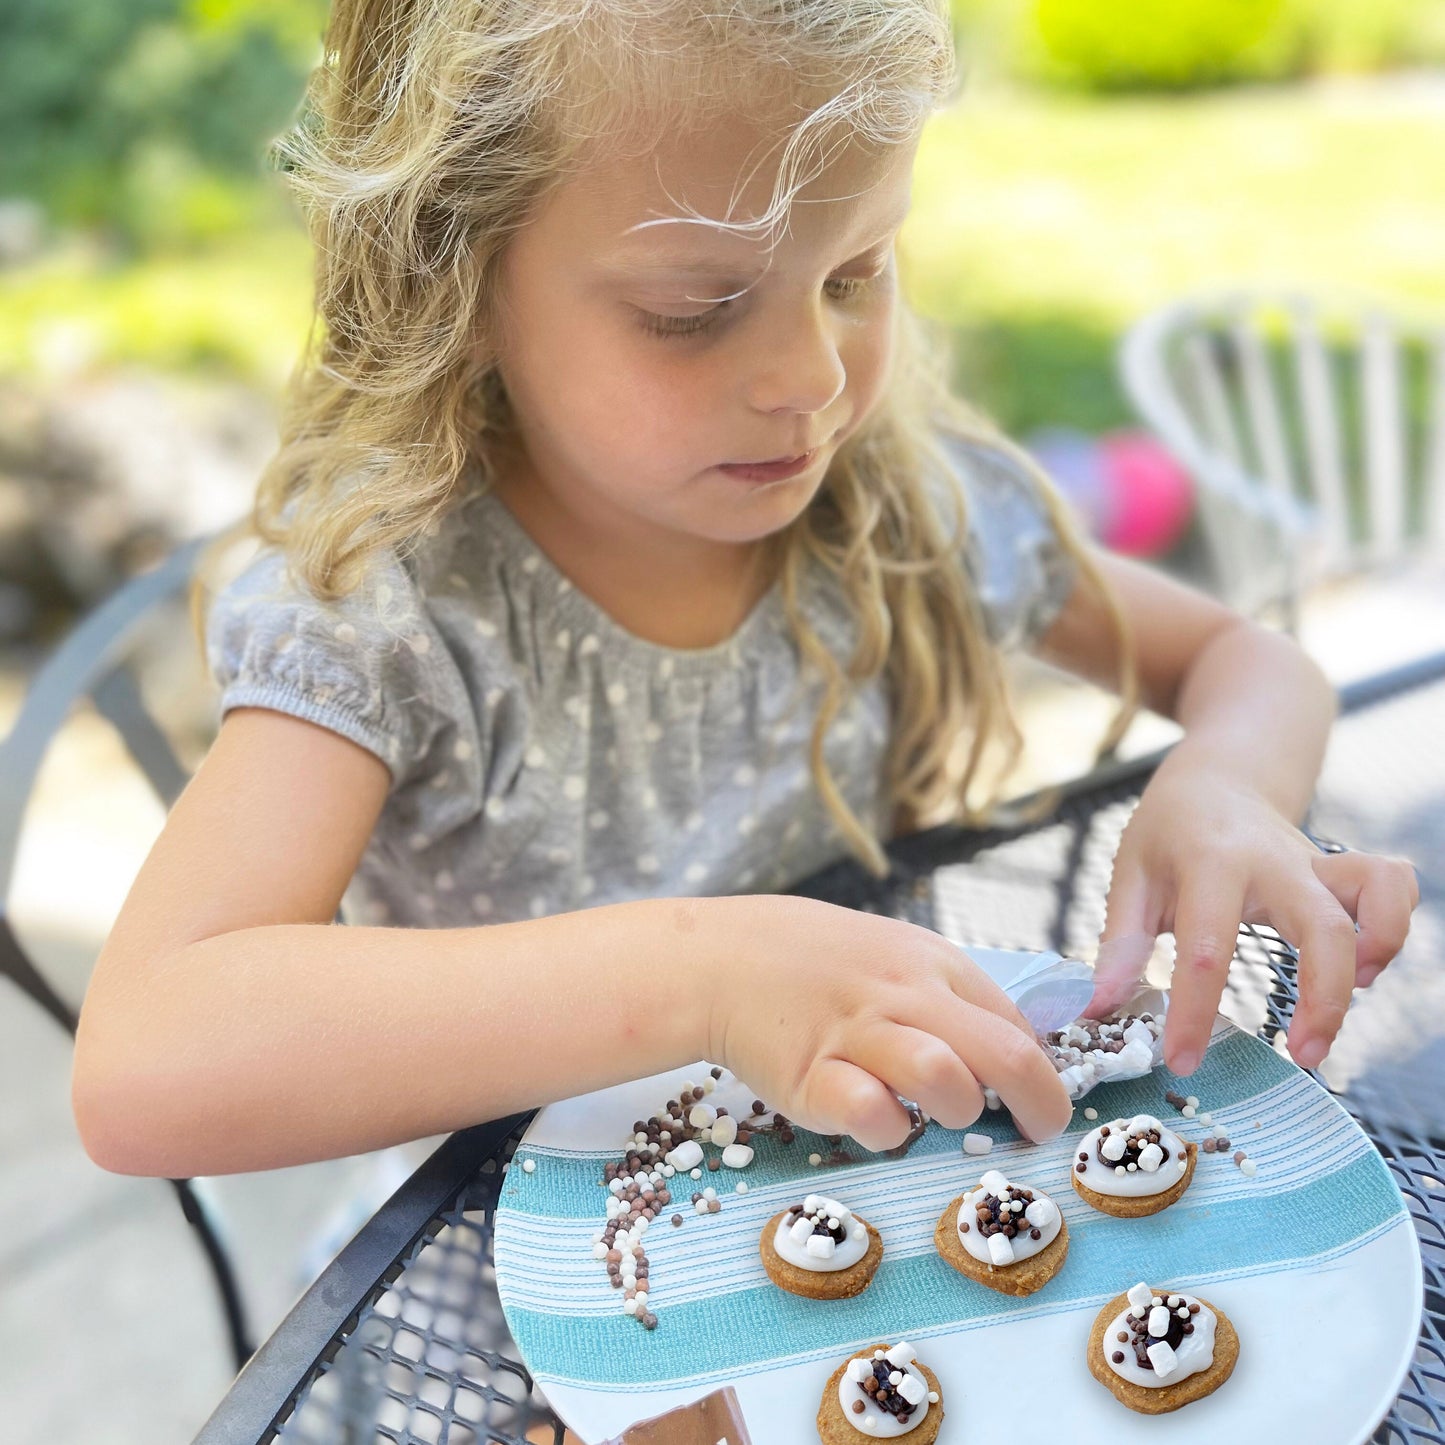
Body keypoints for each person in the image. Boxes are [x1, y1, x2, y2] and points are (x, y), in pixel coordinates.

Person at [73, 0, 1417, 1182]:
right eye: (694, 308)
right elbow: (147, 1059)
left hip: (880, 1180)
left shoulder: (891, 509)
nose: (813, 380)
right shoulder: (400, 609)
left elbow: (1249, 659)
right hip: (527, 1283)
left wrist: (1227, 785)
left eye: (852, 273)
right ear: (457, 277)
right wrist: (703, 977)